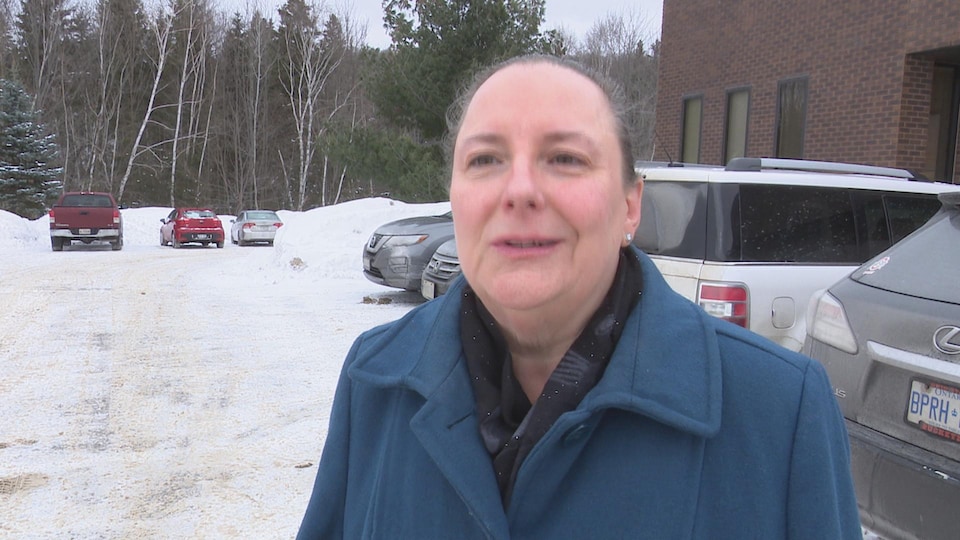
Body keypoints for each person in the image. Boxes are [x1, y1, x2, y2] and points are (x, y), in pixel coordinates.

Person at [297, 54, 861, 539]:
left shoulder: (781, 415)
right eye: (485, 160)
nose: (519, 190)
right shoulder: (374, 381)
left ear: (631, 206)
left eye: (565, 158)